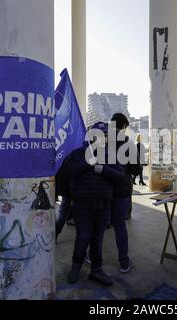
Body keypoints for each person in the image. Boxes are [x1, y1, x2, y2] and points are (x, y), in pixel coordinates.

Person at [64, 122, 124, 286]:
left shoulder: (110, 155)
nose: (102, 138)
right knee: (83, 237)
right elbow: (67, 172)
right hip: (82, 206)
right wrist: (87, 163)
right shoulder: (78, 153)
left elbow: (121, 177)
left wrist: (104, 170)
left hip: (103, 205)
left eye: (105, 135)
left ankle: (96, 271)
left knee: (98, 239)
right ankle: (76, 267)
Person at [109, 113, 142, 272]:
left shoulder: (101, 141)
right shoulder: (127, 144)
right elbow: (136, 168)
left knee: (99, 225)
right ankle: (124, 262)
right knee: (120, 225)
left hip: (104, 189)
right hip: (121, 190)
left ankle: (91, 255)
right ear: (123, 126)